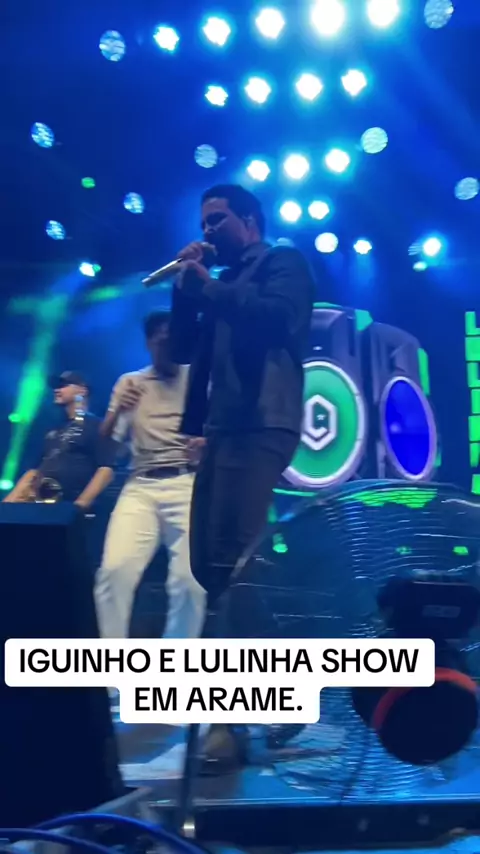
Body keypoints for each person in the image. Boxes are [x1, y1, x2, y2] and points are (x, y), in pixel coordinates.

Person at [170, 184, 315, 769]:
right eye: (203, 222)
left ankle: (227, 725)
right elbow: (183, 349)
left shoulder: (282, 262)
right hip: (223, 429)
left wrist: (209, 287)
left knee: (231, 563)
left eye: (218, 220)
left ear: (249, 221)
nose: (207, 231)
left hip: (263, 422)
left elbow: (278, 319)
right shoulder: (222, 281)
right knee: (212, 566)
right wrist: (185, 291)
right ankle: (289, 692)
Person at [94, 309, 205, 641]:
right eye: (160, 339)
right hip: (140, 485)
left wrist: (206, 445)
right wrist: (118, 410)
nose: (167, 345)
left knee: (190, 581)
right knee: (114, 571)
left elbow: (223, 432)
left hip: (187, 482)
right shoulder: (131, 382)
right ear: (149, 344)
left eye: (173, 339)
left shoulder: (198, 378)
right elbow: (106, 448)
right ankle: (112, 667)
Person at [4, 371, 115, 508]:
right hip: (42, 504)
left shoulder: (98, 426)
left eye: (63, 385)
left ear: (82, 391)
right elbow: (34, 470)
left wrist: (79, 505)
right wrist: (7, 504)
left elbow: (106, 470)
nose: (56, 390)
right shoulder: (53, 430)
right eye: (56, 386)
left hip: (70, 506)